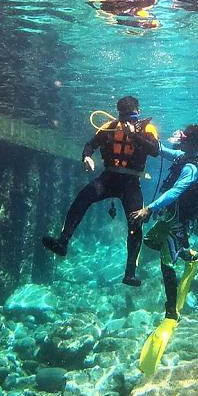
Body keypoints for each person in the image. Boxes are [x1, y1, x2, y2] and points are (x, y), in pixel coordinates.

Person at [42, 96, 160, 285]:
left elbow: (154, 150)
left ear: (138, 113)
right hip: (109, 178)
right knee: (83, 198)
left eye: (131, 118)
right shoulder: (109, 127)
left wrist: (134, 135)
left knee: (135, 222)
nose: (127, 122)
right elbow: (90, 145)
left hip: (130, 182)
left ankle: (130, 272)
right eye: (124, 118)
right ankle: (62, 241)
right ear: (119, 115)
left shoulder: (147, 129)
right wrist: (86, 157)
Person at [129, 123, 198, 319]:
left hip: (181, 221)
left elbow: (175, 192)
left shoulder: (191, 168)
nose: (180, 140)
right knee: (150, 241)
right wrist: (137, 135)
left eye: (184, 138)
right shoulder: (182, 157)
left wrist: (149, 209)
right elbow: (160, 150)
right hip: (171, 216)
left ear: (193, 143)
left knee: (166, 263)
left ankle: (172, 311)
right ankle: (185, 252)